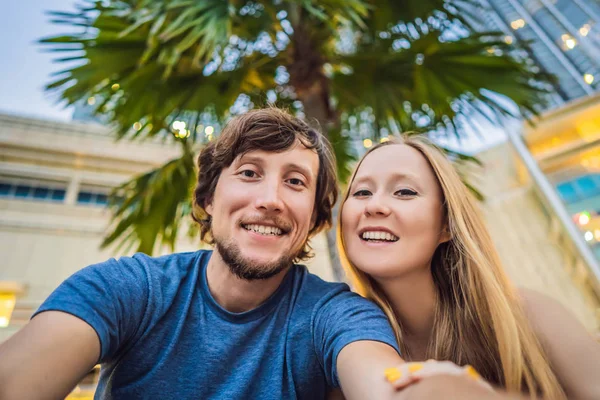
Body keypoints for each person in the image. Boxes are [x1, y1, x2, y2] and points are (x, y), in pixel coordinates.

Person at [0, 108, 415, 399]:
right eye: (249, 173)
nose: (270, 199)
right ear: (210, 199)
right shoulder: (126, 289)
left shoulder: (338, 313)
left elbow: (382, 381)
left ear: (316, 217)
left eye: (295, 181)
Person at [337, 134, 600, 399]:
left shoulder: (529, 317)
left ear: (446, 225)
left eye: (405, 192)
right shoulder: (338, 349)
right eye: (362, 192)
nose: (374, 205)